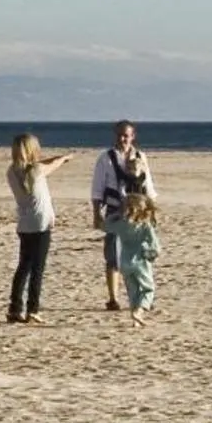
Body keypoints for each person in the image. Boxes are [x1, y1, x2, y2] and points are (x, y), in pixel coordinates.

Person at [89, 121, 155, 312]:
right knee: (113, 255)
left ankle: (143, 296)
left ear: (132, 136)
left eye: (126, 135)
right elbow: (97, 188)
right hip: (115, 211)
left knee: (140, 256)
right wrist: (96, 213)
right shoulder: (106, 158)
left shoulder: (141, 156)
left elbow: (148, 186)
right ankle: (113, 298)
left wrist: (151, 212)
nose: (123, 139)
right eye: (120, 135)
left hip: (139, 214)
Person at [5, 133, 71, 324]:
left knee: (23, 267)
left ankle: (14, 308)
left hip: (25, 225)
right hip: (40, 224)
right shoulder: (36, 170)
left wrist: (56, 159)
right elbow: (50, 166)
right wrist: (64, 158)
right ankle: (32, 309)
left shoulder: (12, 171)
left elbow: (43, 164)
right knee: (37, 269)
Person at [111, 190, 161, 324]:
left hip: (125, 262)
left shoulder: (121, 225)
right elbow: (155, 246)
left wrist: (115, 216)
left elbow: (105, 226)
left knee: (132, 290)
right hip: (140, 261)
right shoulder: (145, 226)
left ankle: (135, 318)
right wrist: (151, 255)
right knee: (147, 289)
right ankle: (139, 311)